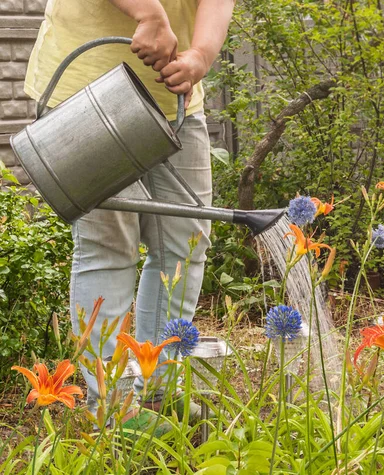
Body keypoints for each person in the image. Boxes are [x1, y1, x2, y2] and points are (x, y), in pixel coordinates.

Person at [23, 0, 235, 417]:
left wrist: (201, 55)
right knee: (109, 248)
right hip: (86, 91)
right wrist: (150, 14)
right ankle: (114, 409)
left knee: (184, 247)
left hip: (174, 96)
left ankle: (159, 388)